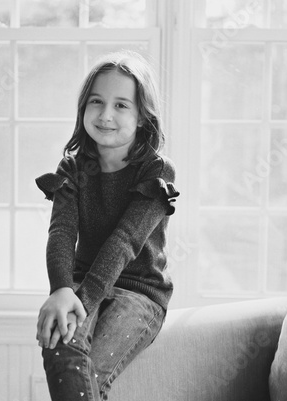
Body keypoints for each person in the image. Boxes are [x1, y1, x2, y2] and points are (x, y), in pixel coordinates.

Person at [35, 50, 179, 401]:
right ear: (84, 107)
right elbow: (62, 233)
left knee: (89, 372)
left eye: (121, 105)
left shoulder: (156, 172)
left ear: (144, 116)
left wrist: (77, 303)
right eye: (96, 102)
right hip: (83, 283)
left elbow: (125, 241)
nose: (105, 115)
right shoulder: (73, 167)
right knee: (62, 348)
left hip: (140, 292)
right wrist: (61, 290)